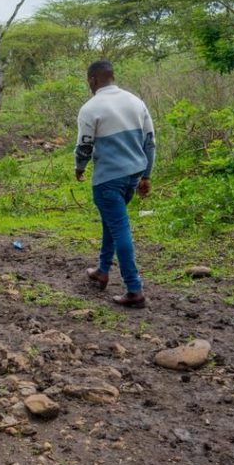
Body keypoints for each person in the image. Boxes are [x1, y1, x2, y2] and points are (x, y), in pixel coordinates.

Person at [75, 60, 155, 307]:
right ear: (112, 76)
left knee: (119, 228)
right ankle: (101, 270)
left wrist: (79, 167)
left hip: (108, 179)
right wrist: (146, 175)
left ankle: (134, 289)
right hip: (133, 175)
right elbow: (149, 141)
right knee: (113, 223)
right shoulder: (135, 101)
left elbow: (85, 145)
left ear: (92, 80)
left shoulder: (90, 108)